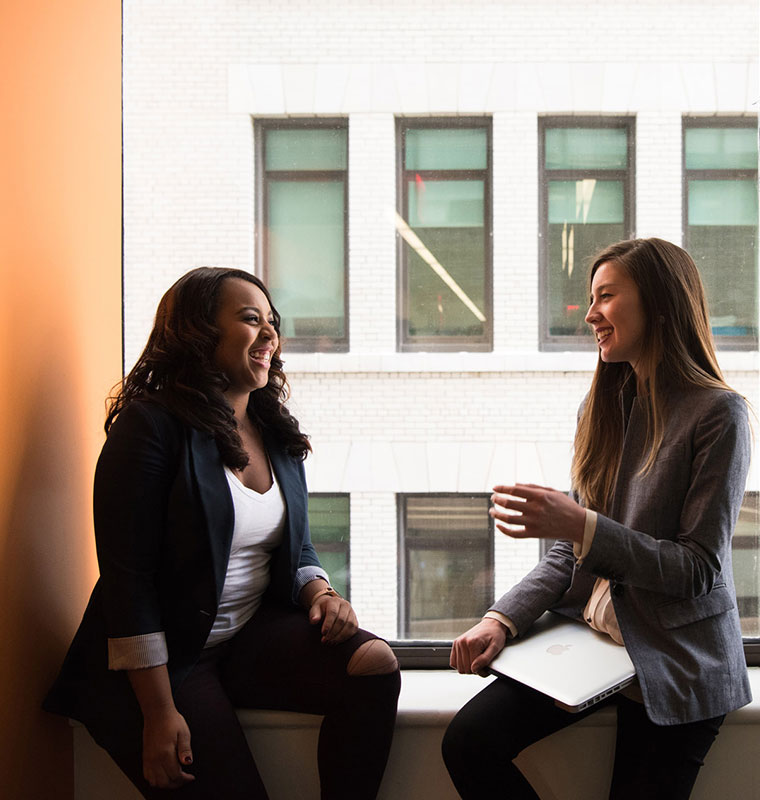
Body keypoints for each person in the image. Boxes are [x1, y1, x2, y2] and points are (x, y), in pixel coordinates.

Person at [44, 267, 400, 799]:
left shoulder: (272, 429)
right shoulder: (149, 427)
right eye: (250, 319)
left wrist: (321, 591)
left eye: (273, 323)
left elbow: (294, 544)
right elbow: (129, 581)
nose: (269, 334)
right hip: (162, 665)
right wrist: (159, 714)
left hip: (241, 638)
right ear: (197, 332)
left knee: (374, 665)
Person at [442, 238, 752, 800]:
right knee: (467, 742)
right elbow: (570, 552)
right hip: (597, 645)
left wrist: (580, 526)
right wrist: (501, 620)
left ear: (660, 303)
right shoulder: (602, 407)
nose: (589, 314)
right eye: (591, 299)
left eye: (606, 297)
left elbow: (697, 569)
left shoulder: (718, 414)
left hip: (676, 659)